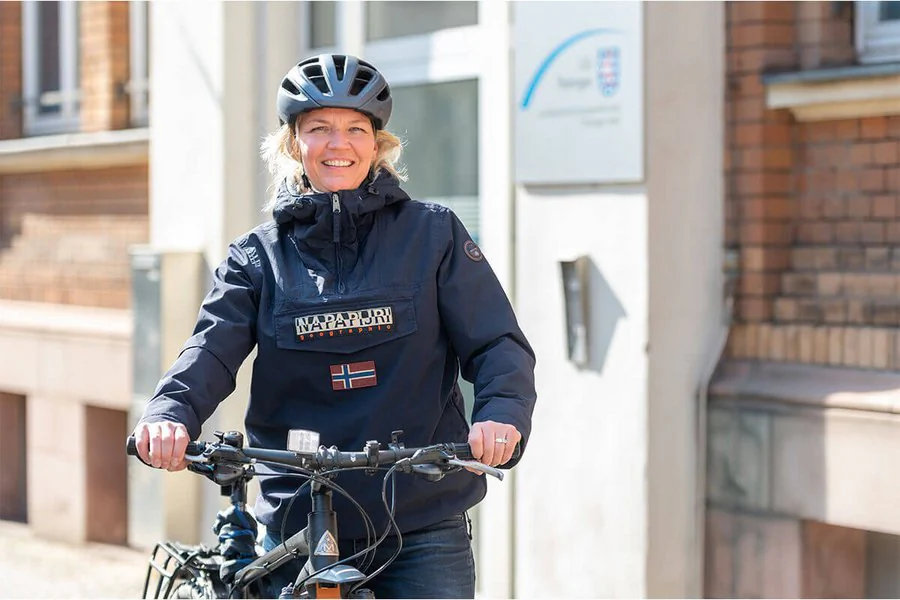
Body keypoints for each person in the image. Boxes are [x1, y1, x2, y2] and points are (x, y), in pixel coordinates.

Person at [131, 53, 537, 599]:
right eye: (318, 128)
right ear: (294, 144)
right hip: (300, 515)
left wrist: (501, 415)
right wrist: (169, 414)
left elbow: (497, 344)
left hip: (421, 521)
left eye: (355, 129)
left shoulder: (433, 235)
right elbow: (210, 350)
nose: (337, 143)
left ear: (377, 145)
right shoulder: (258, 258)